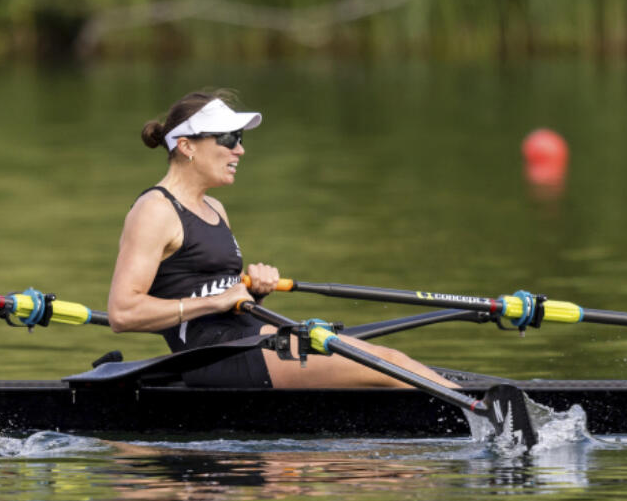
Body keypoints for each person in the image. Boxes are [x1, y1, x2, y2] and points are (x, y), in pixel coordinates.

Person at [107, 90, 457, 390]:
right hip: (214, 357)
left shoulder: (214, 208)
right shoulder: (154, 210)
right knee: (387, 363)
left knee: (387, 371)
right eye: (229, 138)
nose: (240, 150)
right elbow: (123, 312)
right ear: (187, 147)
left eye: (241, 139)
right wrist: (215, 303)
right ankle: (483, 411)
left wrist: (252, 289)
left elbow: (214, 289)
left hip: (249, 336)